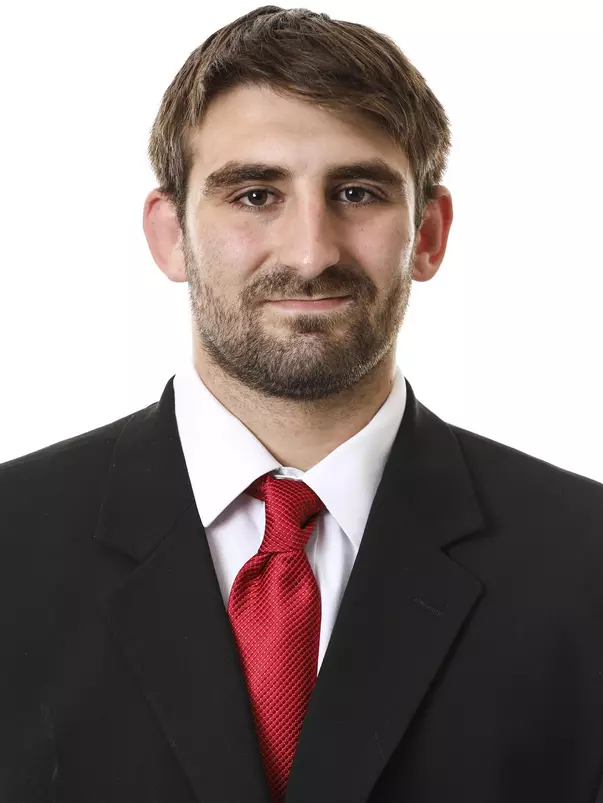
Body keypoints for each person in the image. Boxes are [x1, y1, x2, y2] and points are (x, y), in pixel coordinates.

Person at [1, 5, 603, 802]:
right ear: (171, 235)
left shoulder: (584, 562)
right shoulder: (13, 541)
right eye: (254, 195)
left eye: (357, 192)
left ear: (427, 234)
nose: (311, 251)